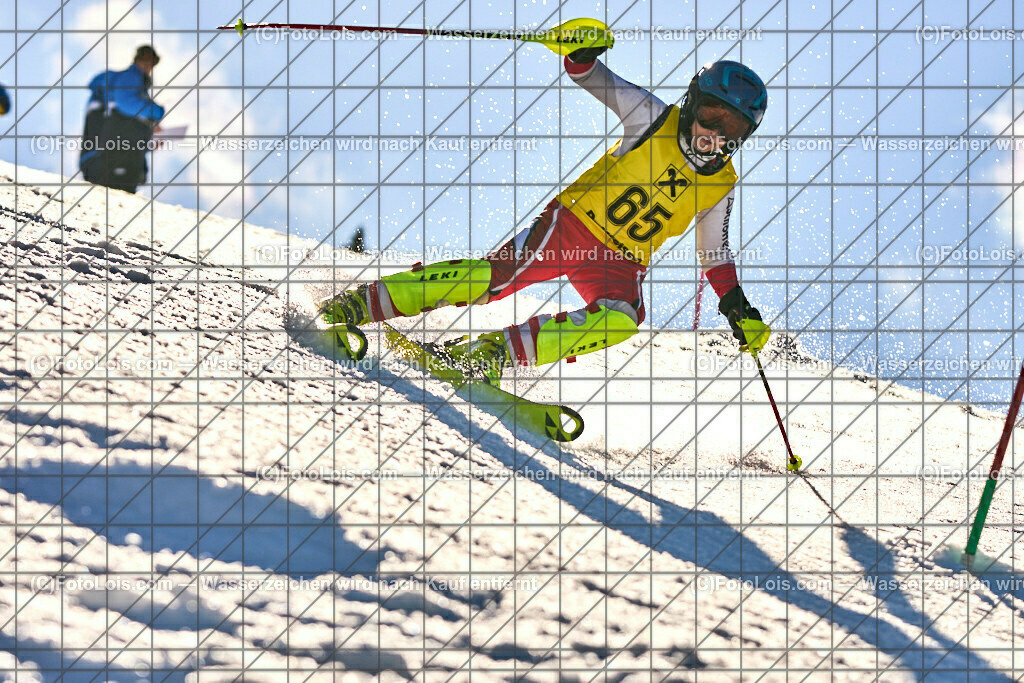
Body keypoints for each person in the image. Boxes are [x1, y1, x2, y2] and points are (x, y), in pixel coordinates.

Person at [321, 48, 769, 380]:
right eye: (712, 116)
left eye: (733, 128)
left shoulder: (721, 185)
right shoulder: (652, 117)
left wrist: (734, 305)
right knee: (493, 281)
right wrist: (581, 52)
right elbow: (590, 75)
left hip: (622, 263)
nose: (716, 135)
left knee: (623, 316)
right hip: (570, 227)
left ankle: (495, 353)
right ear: (693, 102)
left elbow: (714, 253)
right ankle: (365, 301)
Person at [80, 45, 165, 193]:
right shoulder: (131, 77)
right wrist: (157, 112)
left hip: (103, 160)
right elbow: (126, 103)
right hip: (112, 163)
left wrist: (149, 140)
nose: (148, 66)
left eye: (151, 63)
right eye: (145, 60)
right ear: (137, 60)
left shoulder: (134, 87)